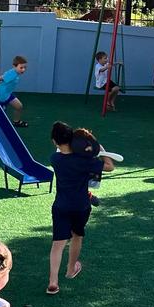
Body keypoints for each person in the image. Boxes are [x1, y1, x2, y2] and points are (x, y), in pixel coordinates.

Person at [46, 122, 105, 294]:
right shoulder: (85, 161)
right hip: (81, 206)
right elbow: (110, 167)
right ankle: (71, 269)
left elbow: (62, 152)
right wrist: (99, 150)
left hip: (61, 206)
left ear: (54, 142)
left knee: (57, 244)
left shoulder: (55, 159)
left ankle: (53, 282)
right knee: (77, 236)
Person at [71, 126, 114, 206]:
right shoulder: (89, 163)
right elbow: (110, 167)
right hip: (78, 201)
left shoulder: (59, 158)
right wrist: (101, 149)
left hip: (65, 198)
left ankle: (87, 195)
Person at [0, 55, 28, 127]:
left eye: (25, 67)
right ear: (14, 66)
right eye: (21, 68)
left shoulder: (15, 73)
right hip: (1, 96)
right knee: (0, 116)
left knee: (19, 106)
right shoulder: (12, 73)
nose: (23, 70)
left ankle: (16, 122)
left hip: (7, 94)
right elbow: (0, 78)